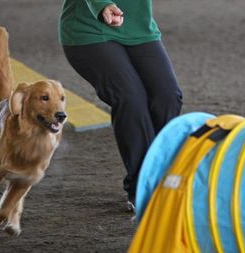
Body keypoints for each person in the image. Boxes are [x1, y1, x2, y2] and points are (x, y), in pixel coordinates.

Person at [59, 0, 183, 212]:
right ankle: (141, 187)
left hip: (139, 28)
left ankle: (166, 176)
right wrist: (101, 5)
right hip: (89, 29)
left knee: (167, 96)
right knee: (130, 98)